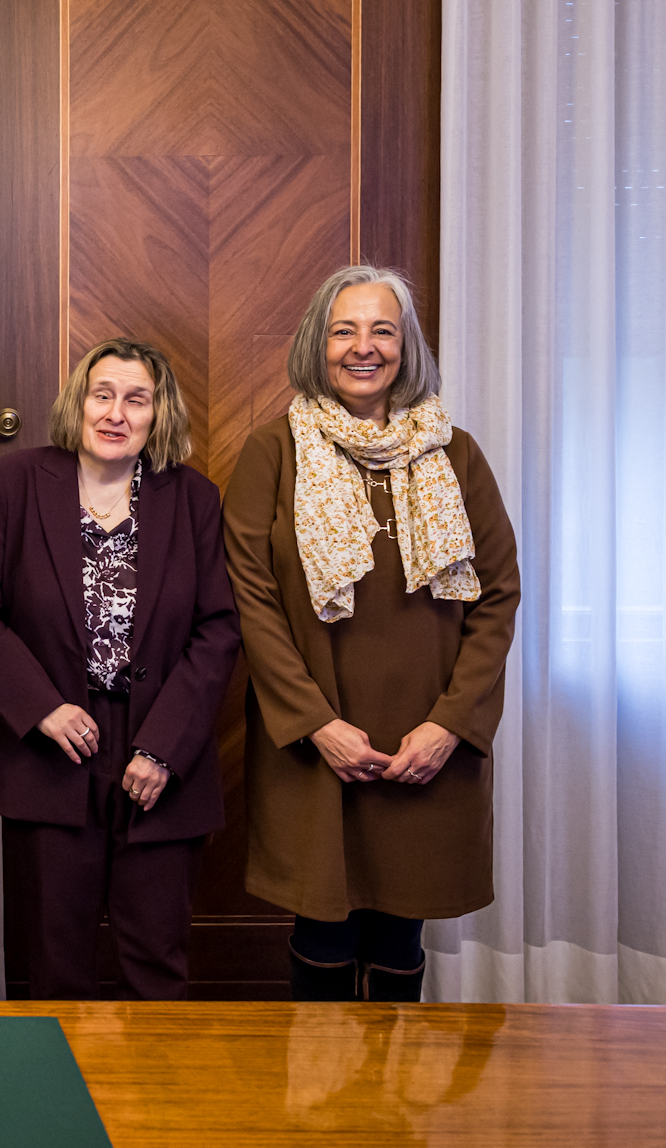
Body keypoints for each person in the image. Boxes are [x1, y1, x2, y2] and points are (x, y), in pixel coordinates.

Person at [223, 265, 520, 1002]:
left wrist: (450, 726)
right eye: (343, 329)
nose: (364, 346)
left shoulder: (456, 453)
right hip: (316, 743)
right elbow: (251, 601)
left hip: (427, 740)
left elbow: (498, 597)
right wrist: (317, 724)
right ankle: (320, 1114)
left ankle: (395, 1117)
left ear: (406, 346)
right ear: (316, 346)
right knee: (321, 932)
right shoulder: (274, 452)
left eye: (382, 329)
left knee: (398, 936)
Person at [0, 338, 240, 1000]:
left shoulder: (194, 499)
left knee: (155, 959)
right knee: (55, 962)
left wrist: (162, 746)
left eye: (135, 399)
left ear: (157, 414)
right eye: (101, 394)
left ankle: (150, 1104)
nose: (115, 412)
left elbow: (218, 627)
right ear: (78, 404)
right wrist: (41, 707)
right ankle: (56, 1100)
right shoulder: (15, 483)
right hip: (50, 753)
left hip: (162, 759)